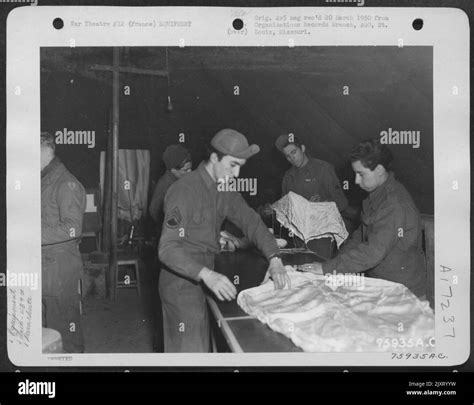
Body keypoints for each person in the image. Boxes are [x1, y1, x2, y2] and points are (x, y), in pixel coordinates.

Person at [158, 128, 290, 352]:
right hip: (181, 283)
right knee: (189, 356)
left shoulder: (224, 190)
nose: (237, 174)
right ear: (213, 158)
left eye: (240, 166)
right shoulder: (183, 191)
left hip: (207, 275)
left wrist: (275, 259)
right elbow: (167, 249)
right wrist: (207, 275)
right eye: (233, 165)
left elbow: (253, 223)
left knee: (204, 351)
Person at [299, 138, 426, 298]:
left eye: (361, 174)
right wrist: (336, 263)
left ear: (379, 170)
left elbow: (373, 252)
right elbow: (361, 235)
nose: (356, 181)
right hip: (382, 284)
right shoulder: (376, 196)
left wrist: (327, 269)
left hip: (403, 291)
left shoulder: (394, 204)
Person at [264, 134, 353, 258]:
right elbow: (285, 208)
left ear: (303, 148)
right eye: (287, 156)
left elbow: (342, 203)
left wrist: (318, 205)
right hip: (298, 236)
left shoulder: (323, 169)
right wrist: (273, 210)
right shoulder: (288, 177)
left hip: (321, 234)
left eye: (294, 152)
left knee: (318, 268)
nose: (292, 158)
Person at [41, 131, 86, 353]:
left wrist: (33, 234)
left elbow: (72, 228)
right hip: (48, 267)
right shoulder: (47, 179)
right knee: (50, 332)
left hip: (59, 269)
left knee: (64, 335)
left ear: (44, 151)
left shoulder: (66, 183)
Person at [149, 144, 192, 230]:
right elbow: (154, 211)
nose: (190, 172)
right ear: (173, 170)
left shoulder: (180, 181)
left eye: (191, 168)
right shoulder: (166, 185)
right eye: (186, 170)